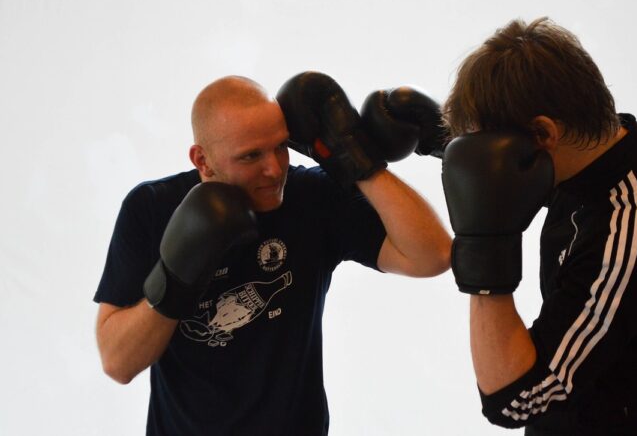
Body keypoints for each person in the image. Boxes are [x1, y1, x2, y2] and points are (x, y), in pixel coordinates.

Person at [94, 72, 451, 435]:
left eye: (280, 146)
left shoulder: (311, 195)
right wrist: (176, 280)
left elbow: (433, 255)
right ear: (203, 160)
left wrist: (358, 160)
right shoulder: (152, 208)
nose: (274, 168)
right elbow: (118, 363)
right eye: (251, 156)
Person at [440, 18, 637, 435]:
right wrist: (432, 137)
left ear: (544, 133)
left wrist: (483, 245)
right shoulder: (605, 143)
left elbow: (515, 398)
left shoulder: (633, 222)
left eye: (490, 143)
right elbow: (524, 174)